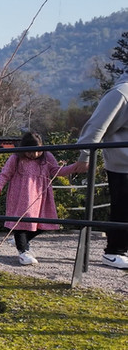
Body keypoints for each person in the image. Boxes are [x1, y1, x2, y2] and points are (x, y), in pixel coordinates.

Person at [0, 132, 77, 265]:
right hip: (20, 195)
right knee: (21, 223)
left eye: (38, 151)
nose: (35, 155)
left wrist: (75, 167)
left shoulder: (46, 156)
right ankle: (23, 251)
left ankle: (21, 241)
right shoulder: (16, 158)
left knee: (44, 222)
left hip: (40, 196)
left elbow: (57, 171)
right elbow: (4, 175)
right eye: (31, 152)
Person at [70, 72, 128, 269]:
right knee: (123, 208)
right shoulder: (121, 93)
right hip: (122, 164)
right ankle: (114, 251)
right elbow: (96, 127)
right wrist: (85, 156)